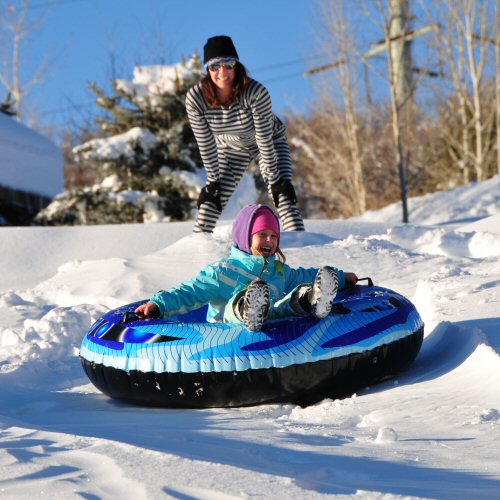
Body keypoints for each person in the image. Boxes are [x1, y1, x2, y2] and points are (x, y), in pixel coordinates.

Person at [135, 204, 358, 331]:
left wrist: (339, 277)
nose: (269, 241)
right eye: (262, 235)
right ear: (245, 237)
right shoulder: (223, 271)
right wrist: (158, 304)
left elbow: (305, 274)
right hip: (226, 331)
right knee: (242, 299)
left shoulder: (278, 270)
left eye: (273, 236)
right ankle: (248, 308)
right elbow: (190, 292)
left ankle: (311, 300)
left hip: (270, 319)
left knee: (291, 296)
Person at [186, 35, 305, 234]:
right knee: (211, 200)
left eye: (228, 65)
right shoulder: (196, 99)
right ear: (207, 70)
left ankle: (302, 244)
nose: (222, 72)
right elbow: (205, 143)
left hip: (269, 143)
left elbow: (264, 137)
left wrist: (274, 179)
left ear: (237, 66)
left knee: (282, 193)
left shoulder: (255, 92)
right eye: (215, 66)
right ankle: (199, 249)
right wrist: (213, 181)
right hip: (231, 149)